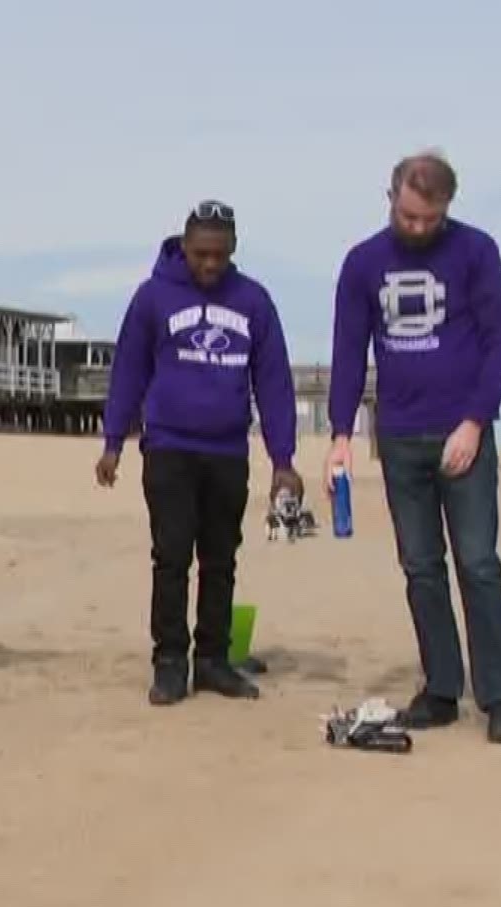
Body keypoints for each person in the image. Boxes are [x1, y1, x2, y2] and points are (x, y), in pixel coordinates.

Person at [326, 151, 501, 745]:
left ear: (447, 209)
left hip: (461, 433)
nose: (416, 227)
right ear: (389, 196)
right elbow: (347, 350)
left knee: (479, 563)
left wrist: (475, 421)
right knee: (420, 566)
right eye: (408, 215)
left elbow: (499, 343)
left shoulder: (476, 252)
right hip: (399, 434)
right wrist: (341, 434)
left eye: (428, 219)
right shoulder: (363, 263)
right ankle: (441, 686)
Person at [96, 200, 302, 706]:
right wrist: (112, 442)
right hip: (169, 447)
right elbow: (128, 371)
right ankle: (169, 663)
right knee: (170, 558)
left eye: (219, 254)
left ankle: (212, 661)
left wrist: (283, 459)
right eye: (200, 254)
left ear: (233, 250)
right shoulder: (152, 298)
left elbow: (273, 382)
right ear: (184, 246)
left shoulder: (254, 301)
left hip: (228, 451)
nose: (209, 264)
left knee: (220, 559)